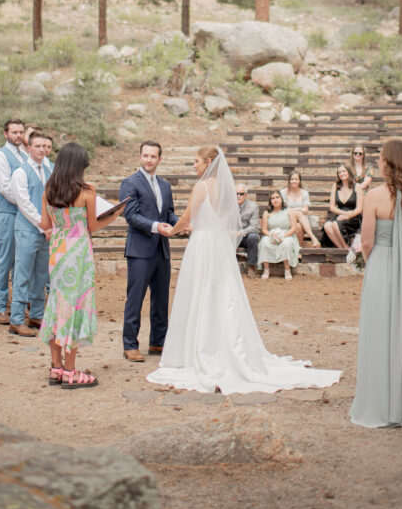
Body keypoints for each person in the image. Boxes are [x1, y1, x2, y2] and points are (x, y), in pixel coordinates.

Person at [146, 146, 341, 394]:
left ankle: (203, 349)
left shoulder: (202, 187)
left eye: (196, 162)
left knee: (201, 291)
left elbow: (186, 219)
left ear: (208, 162)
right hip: (217, 244)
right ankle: (224, 345)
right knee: (221, 294)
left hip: (203, 244)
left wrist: (170, 231)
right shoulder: (226, 189)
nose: (193, 166)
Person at [350, 139, 402, 428]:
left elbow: (368, 241)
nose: (379, 163)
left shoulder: (373, 196)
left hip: (383, 265)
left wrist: (374, 264)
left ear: (389, 163)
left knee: (381, 329)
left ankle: (382, 402)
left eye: (382, 158)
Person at [40, 142, 125, 389]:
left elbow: (46, 225)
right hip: (78, 255)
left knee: (57, 305)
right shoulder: (87, 191)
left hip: (57, 253)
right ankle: (71, 371)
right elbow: (93, 226)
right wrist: (115, 214)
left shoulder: (48, 189)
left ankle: (56, 367)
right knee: (74, 308)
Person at [121, 140, 178, 362]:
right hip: (140, 249)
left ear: (159, 159)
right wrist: (157, 227)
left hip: (161, 249)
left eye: (153, 156)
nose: (149, 160)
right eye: (145, 155)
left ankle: (158, 342)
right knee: (135, 298)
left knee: (161, 298)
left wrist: (181, 223)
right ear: (140, 157)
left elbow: (169, 214)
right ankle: (130, 344)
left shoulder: (165, 186)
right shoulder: (129, 183)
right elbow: (131, 215)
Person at [8, 130, 53, 337]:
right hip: (28, 230)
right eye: (38, 146)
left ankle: (36, 315)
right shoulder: (20, 172)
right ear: (29, 148)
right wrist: (41, 224)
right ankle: (16, 320)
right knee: (23, 274)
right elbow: (24, 203)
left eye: (45, 146)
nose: (42, 150)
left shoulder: (50, 169)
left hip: (47, 232)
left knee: (41, 275)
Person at [0, 118, 27, 324]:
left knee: (21, 261)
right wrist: (25, 202)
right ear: (5, 134)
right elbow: (4, 187)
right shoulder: (0, 157)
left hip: (23, 214)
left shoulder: (24, 155)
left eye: (21, 132)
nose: (18, 136)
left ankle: (18, 305)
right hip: (8, 213)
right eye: (14, 132)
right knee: (5, 259)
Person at [258, 190, 301, 280]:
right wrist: (272, 235)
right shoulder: (267, 213)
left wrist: (283, 236)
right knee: (264, 242)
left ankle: (287, 269)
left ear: (281, 199)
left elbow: (293, 228)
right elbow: (264, 229)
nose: (275, 200)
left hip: (287, 235)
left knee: (286, 244)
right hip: (272, 235)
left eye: (277, 197)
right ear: (270, 201)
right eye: (273, 198)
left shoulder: (289, 211)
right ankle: (266, 269)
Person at [321, 163, 362, 249]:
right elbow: (332, 207)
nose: (342, 174)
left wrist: (348, 215)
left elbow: (359, 208)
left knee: (336, 224)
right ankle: (343, 248)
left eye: (344, 171)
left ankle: (345, 248)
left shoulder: (357, 186)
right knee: (327, 225)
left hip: (353, 216)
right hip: (340, 214)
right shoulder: (335, 186)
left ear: (349, 172)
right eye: (339, 172)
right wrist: (344, 213)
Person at [281, 170, 320, 247]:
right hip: (287, 217)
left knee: (298, 226)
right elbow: (283, 209)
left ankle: (298, 249)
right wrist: (298, 209)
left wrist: (294, 210)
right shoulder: (283, 192)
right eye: (292, 179)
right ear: (289, 181)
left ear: (299, 181)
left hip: (301, 219)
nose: (294, 181)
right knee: (298, 213)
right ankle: (313, 238)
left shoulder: (304, 193)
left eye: (296, 179)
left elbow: (305, 210)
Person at [235, 183, 260, 279]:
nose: (238, 196)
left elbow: (254, 226)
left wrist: (241, 232)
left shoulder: (253, 207)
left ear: (246, 195)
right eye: (236, 193)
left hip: (246, 236)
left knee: (253, 236)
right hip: (232, 236)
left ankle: (251, 266)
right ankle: (226, 266)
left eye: (241, 194)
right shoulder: (228, 206)